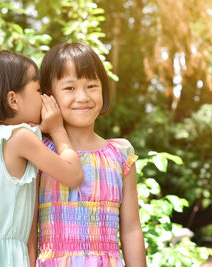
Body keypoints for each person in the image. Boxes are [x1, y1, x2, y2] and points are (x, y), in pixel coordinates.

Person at [0, 51, 83, 267]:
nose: (44, 97)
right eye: (39, 90)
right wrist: (57, 130)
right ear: (13, 100)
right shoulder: (20, 138)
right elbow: (73, 175)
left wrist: (39, 128)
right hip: (3, 260)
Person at [31, 42, 146, 267]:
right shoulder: (40, 152)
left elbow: (131, 229)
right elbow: (28, 232)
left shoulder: (120, 154)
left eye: (92, 85)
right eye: (70, 88)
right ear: (48, 96)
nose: (83, 97)